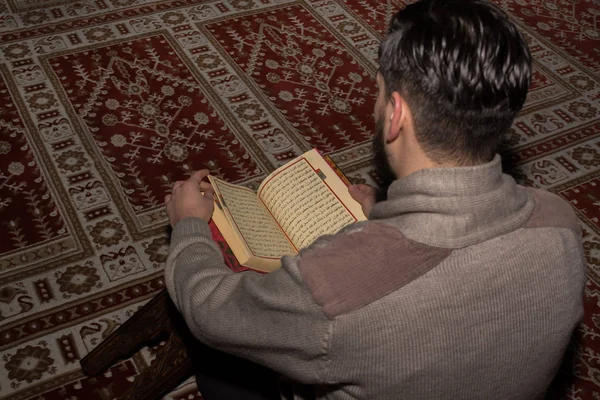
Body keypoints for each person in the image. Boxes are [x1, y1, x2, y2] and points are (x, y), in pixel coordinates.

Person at [163, 0, 586, 398]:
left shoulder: (332, 289)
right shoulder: (559, 221)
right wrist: (380, 219)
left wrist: (190, 226)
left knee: (219, 365)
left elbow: (210, 311)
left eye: (380, 91)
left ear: (396, 113)